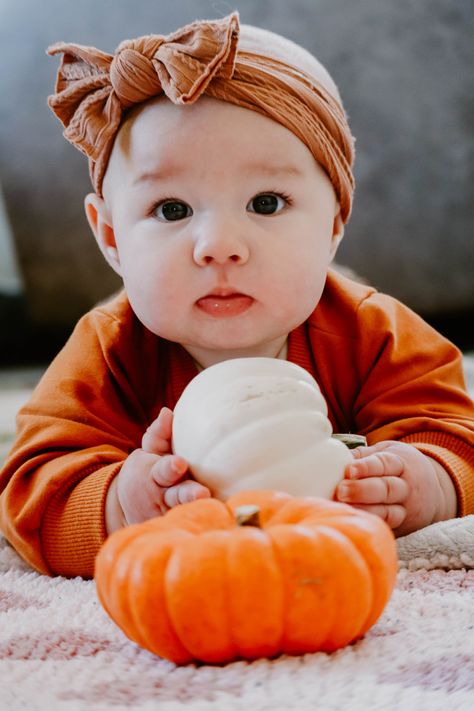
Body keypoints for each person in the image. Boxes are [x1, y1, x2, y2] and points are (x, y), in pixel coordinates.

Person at [1, 13, 473, 578]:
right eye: (172, 210)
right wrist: (121, 503)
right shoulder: (108, 352)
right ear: (111, 237)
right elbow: (30, 491)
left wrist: (426, 482)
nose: (219, 246)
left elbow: (455, 434)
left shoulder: (373, 332)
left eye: (266, 203)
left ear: (333, 224)